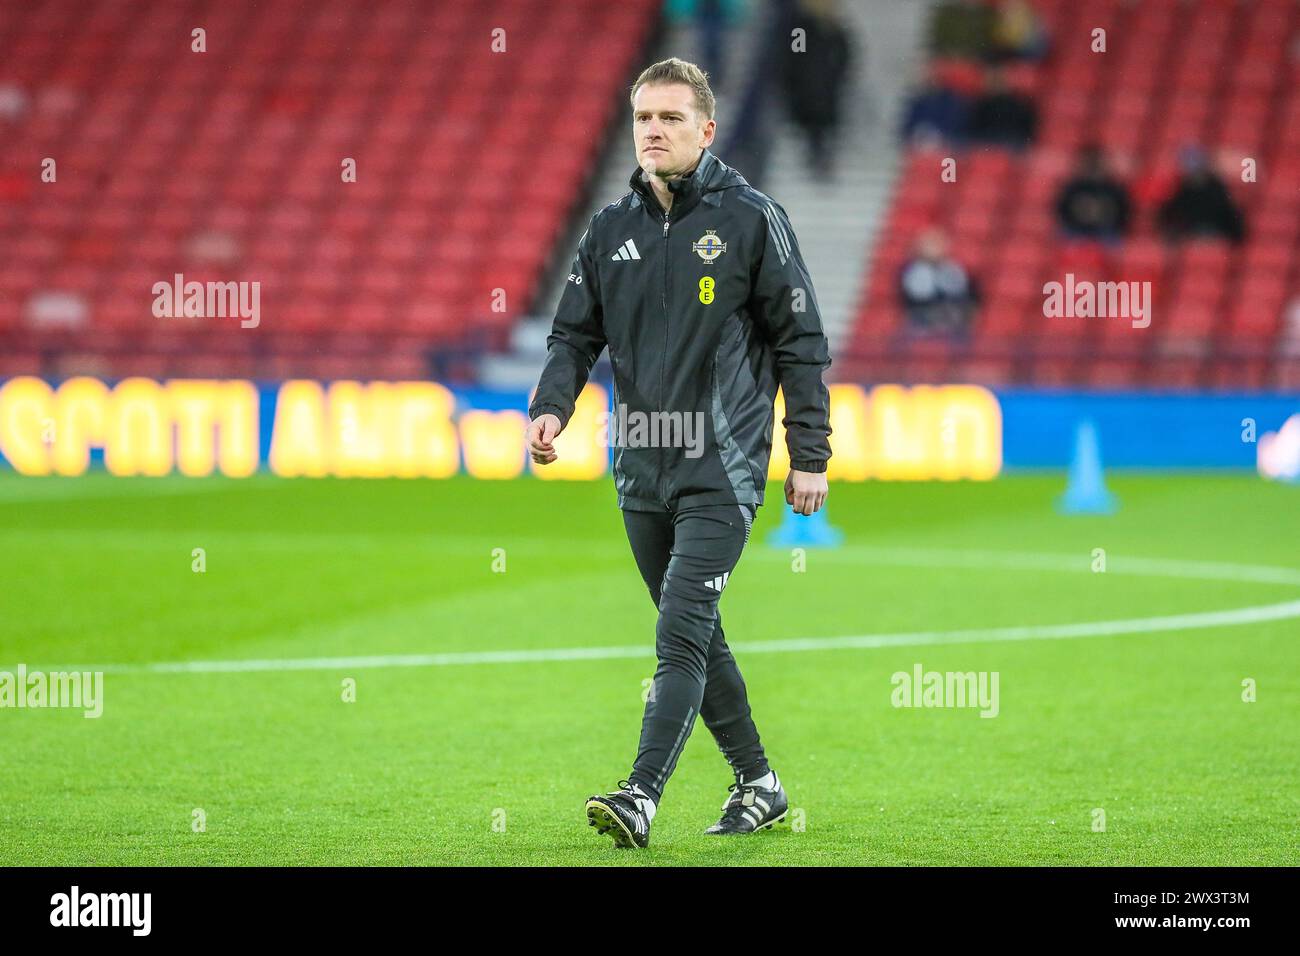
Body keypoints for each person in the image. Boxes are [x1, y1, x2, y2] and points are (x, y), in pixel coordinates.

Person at [525, 57, 833, 849]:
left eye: (668, 118)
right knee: (695, 633)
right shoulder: (608, 230)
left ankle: (640, 794)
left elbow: (800, 343)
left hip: (721, 469)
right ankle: (760, 784)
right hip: (639, 468)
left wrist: (810, 453)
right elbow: (571, 335)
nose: (653, 132)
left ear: (707, 129)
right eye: (642, 119)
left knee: (680, 630)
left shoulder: (750, 219)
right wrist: (551, 407)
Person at [898, 228, 979, 338]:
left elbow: (967, 294)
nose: (934, 250)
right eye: (930, 246)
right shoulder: (911, 271)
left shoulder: (954, 269)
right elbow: (911, 298)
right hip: (921, 316)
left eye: (937, 245)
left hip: (954, 317)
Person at [1158, 147, 1246, 244]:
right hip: (1191, 232)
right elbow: (1170, 211)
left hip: (1215, 232)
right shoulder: (1183, 188)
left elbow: (1228, 213)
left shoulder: (1216, 187)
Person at [1055, 145, 1132, 242]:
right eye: (1089, 164)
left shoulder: (1114, 187)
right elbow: (1062, 211)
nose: (1093, 168)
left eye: (1096, 164)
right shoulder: (1072, 187)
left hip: (1107, 232)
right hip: (1076, 231)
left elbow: (1123, 212)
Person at [966, 65, 1037, 149]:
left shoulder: (1020, 105)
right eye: (995, 81)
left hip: (1015, 146)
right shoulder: (984, 104)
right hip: (988, 143)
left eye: (1000, 81)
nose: (998, 84)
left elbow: (1028, 133)